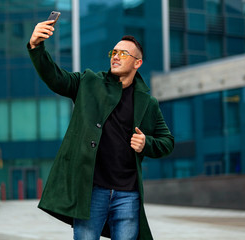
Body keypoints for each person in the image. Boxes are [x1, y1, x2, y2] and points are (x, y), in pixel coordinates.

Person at [27, 18, 174, 240]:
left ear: (138, 63)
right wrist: (37, 47)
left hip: (128, 195)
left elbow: (167, 141)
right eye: (114, 52)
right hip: (91, 191)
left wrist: (147, 144)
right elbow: (56, 78)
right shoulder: (88, 82)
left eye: (123, 53)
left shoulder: (148, 102)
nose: (116, 56)